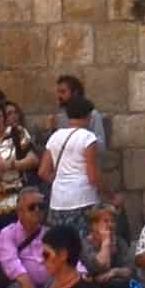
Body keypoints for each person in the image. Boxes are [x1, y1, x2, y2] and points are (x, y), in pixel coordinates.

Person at [0, 99, 37, 260]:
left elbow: (33, 159)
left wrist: (10, 165)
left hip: (17, 201)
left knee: (23, 248)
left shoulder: (17, 133)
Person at [39, 98, 102, 234]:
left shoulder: (55, 136)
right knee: (82, 244)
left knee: (62, 244)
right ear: (89, 116)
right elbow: (92, 176)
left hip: (58, 200)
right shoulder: (88, 137)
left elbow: (43, 171)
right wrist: (110, 195)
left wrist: (61, 182)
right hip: (83, 198)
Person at [0, 187, 54, 288]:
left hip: (49, 285)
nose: (37, 210)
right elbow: (10, 261)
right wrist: (26, 281)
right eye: (32, 207)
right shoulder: (7, 233)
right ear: (19, 212)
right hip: (22, 286)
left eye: (41, 206)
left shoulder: (50, 232)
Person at [80, 204, 135, 288]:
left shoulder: (120, 242)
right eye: (106, 221)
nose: (110, 225)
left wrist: (114, 272)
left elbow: (129, 270)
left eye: (113, 221)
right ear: (94, 225)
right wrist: (105, 243)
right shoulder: (85, 245)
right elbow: (97, 267)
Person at [54, 74, 108, 150]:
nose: (59, 96)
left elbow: (101, 145)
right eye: (58, 92)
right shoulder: (62, 116)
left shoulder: (92, 115)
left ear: (75, 92)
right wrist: (52, 129)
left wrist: (84, 140)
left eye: (63, 92)